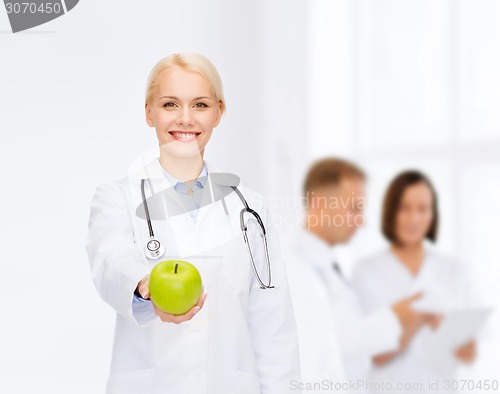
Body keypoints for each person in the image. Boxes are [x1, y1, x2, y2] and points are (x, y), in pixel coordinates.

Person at [85, 53, 301, 394]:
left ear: (219, 112)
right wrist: (145, 286)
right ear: (148, 112)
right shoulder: (117, 198)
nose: (185, 119)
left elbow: (273, 325)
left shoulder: (251, 209)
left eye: (200, 105)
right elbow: (110, 260)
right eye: (170, 104)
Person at [281, 158, 422, 390]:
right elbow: (314, 350)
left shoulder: (328, 264)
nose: (361, 221)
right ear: (319, 204)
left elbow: (345, 343)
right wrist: (393, 320)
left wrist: (392, 338)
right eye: (354, 208)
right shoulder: (292, 264)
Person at [352, 170, 479, 393]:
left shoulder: (455, 271)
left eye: (422, 208)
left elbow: (468, 354)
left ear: (433, 214)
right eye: (404, 208)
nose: (413, 218)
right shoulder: (366, 271)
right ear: (391, 212)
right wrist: (420, 317)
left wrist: (440, 326)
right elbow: (375, 355)